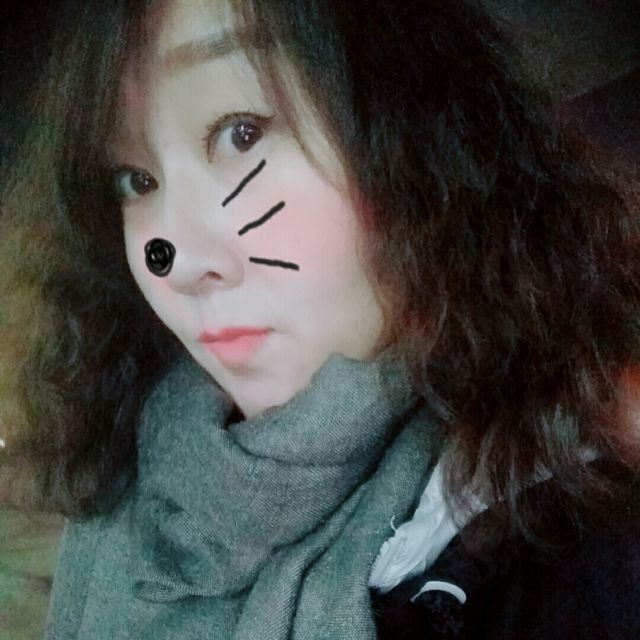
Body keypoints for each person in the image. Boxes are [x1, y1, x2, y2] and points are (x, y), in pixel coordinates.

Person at [1, 0, 639, 638]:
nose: (177, 262)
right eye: (136, 180)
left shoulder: (558, 549)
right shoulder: (124, 464)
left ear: (414, 147)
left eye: (241, 133)